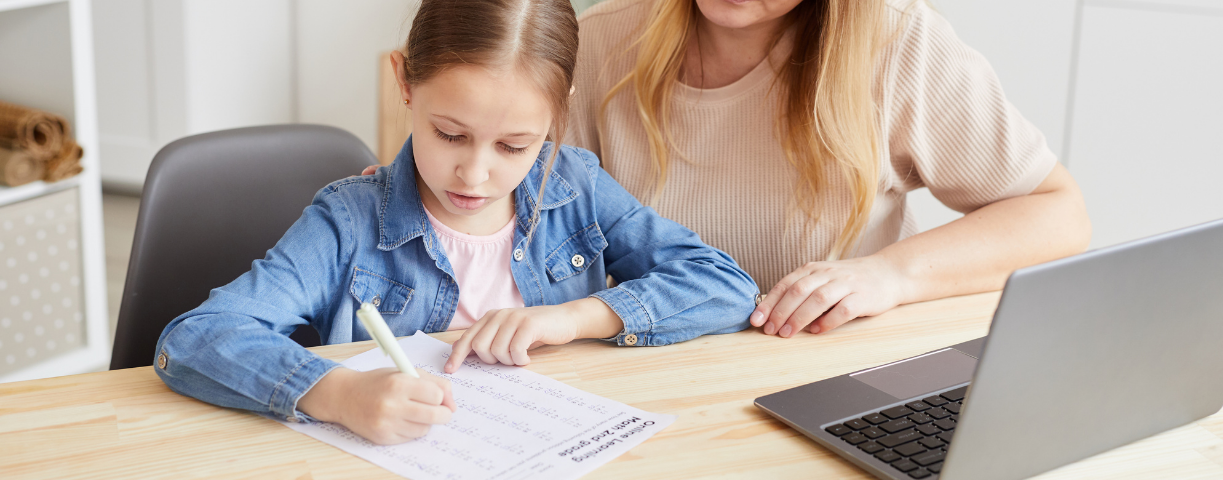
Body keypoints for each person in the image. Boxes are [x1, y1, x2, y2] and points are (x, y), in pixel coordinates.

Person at [152, 0, 757, 446]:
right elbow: (194, 340)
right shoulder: (347, 220)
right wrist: (336, 394)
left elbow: (726, 287)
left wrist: (572, 317)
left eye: (515, 145)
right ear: (404, 83)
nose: (474, 174)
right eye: (450, 135)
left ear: (558, 110)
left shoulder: (575, 186)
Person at [566, 0, 1091, 338]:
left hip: (834, 372)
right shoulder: (595, 42)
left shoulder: (900, 41)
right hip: (656, 369)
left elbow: (1058, 214)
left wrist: (890, 274)